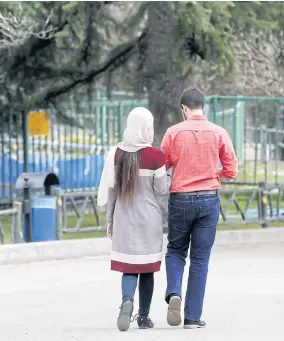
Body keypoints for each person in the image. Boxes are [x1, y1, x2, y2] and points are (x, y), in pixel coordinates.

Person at [161, 88, 238, 329]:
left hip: (181, 198)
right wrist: (214, 173)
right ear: (202, 107)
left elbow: (161, 166)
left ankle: (174, 292)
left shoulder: (173, 133)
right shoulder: (219, 132)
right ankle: (193, 317)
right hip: (208, 199)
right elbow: (232, 170)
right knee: (200, 259)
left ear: (184, 109)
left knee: (175, 250)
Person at [97, 107, 169, 332]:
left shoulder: (116, 154)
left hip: (123, 218)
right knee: (147, 269)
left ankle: (127, 301)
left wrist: (110, 220)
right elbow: (162, 189)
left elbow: (111, 191)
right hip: (149, 221)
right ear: (147, 128)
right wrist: (168, 174)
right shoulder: (156, 156)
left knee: (129, 267)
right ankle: (144, 317)